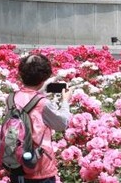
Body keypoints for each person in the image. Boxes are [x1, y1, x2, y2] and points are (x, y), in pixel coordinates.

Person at [7, 54, 72, 183]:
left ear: (21, 75)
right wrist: (65, 101)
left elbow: (27, 101)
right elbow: (62, 124)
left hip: (15, 163)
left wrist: (40, 90)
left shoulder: (11, 98)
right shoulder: (42, 103)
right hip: (39, 166)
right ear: (44, 77)